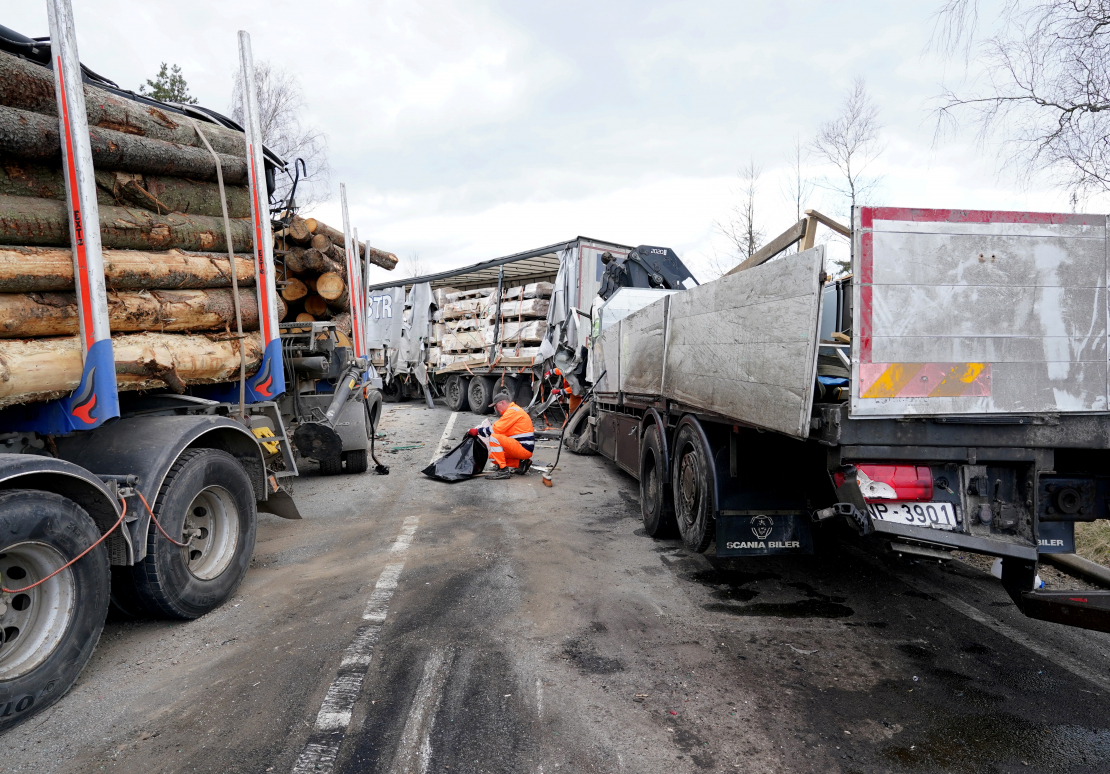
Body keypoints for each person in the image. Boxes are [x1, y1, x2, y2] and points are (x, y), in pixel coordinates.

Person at [468, 389, 534, 479]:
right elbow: (499, 428)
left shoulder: (512, 411)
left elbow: (495, 430)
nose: (496, 409)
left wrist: (477, 431)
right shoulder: (513, 411)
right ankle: (521, 463)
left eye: (496, 406)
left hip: (523, 448)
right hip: (521, 446)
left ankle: (503, 471)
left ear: (502, 403)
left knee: (494, 437)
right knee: (493, 457)